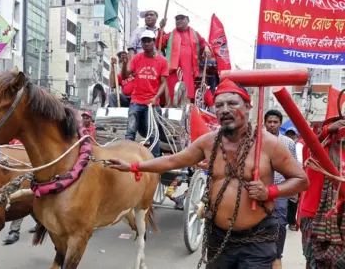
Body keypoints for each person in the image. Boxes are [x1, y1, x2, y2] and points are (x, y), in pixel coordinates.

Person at [107, 78, 308, 268]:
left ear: (248, 107)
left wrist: (270, 192)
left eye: (232, 103)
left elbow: (301, 180)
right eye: (219, 105)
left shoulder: (269, 144)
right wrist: (133, 166)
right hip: (218, 237)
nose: (225, 110)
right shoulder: (208, 142)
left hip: (257, 240)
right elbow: (172, 160)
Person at [300, 118, 345, 269]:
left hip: (341, 218)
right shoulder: (318, 150)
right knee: (313, 261)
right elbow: (310, 144)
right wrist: (327, 130)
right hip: (314, 216)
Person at [121, 30, 169, 158]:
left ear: (154, 42)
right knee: (130, 132)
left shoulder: (162, 61)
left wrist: (156, 98)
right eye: (144, 41)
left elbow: (164, 83)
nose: (146, 43)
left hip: (152, 103)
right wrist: (124, 63)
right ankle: (126, 157)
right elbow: (125, 76)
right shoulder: (137, 58)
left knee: (153, 134)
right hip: (136, 101)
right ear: (141, 44)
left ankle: (156, 162)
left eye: (149, 41)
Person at [264, 109, 297, 269]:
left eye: (275, 122)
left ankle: (277, 256)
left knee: (280, 223)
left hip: (280, 190)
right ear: (264, 123)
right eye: (269, 122)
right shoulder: (257, 141)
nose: (271, 125)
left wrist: (293, 192)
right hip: (259, 189)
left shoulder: (288, 143)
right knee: (257, 222)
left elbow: (294, 168)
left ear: (280, 124)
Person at [157, 13, 212, 105]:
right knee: (171, 96)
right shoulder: (170, 35)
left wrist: (206, 47)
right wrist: (161, 29)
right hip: (172, 71)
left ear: (188, 20)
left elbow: (204, 43)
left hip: (189, 71)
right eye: (177, 19)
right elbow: (159, 44)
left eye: (181, 18)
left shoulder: (195, 34)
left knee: (186, 97)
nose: (178, 21)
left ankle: (186, 116)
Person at [2, 138, 37, 245]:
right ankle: (41, 223)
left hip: (32, 172)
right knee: (29, 205)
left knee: (21, 201)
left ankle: (14, 231)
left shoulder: (33, 138)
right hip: (16, 173)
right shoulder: (14, 140)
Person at [284, 127, 301, 231]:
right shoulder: (281, 145)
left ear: (296, 136)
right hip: (282, 176)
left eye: (292, 134)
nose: (290, 136)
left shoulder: (299, 146)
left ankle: (291, 222)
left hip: (295, 177)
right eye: (288, 134)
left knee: (293, 202)